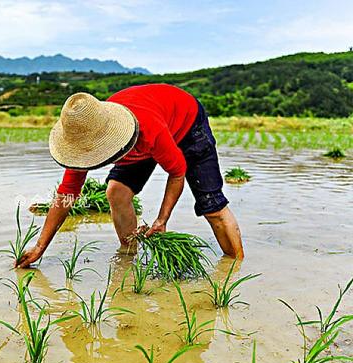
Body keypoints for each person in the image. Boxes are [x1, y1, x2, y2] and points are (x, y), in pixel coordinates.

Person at [16, 84, 244, 268]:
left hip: (187, 121)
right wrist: (39, 247)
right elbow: (66, 197)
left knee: (212, 206)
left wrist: (161, 220)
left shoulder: (149, 130)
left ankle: (236, 269)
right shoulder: (84, 140)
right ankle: (129, 257)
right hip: (146, 133)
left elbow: (177, 172)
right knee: (116, 192)